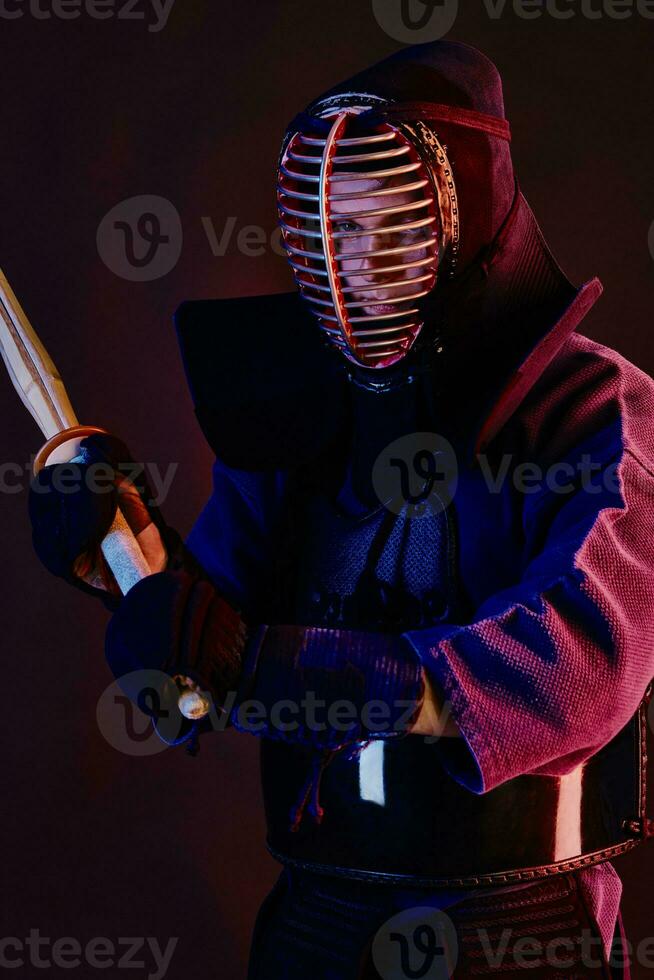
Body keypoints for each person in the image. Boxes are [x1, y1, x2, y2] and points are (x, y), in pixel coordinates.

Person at [28, 40, 654, 979]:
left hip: (516, 920)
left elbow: (584, 659)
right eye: (334, 234)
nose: (352, 267)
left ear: (464, 215)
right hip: (319, 910)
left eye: (385, 226)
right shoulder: (296, 415)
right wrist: (124, 559)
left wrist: (313, 671)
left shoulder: (592, 408)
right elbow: (207, 659)